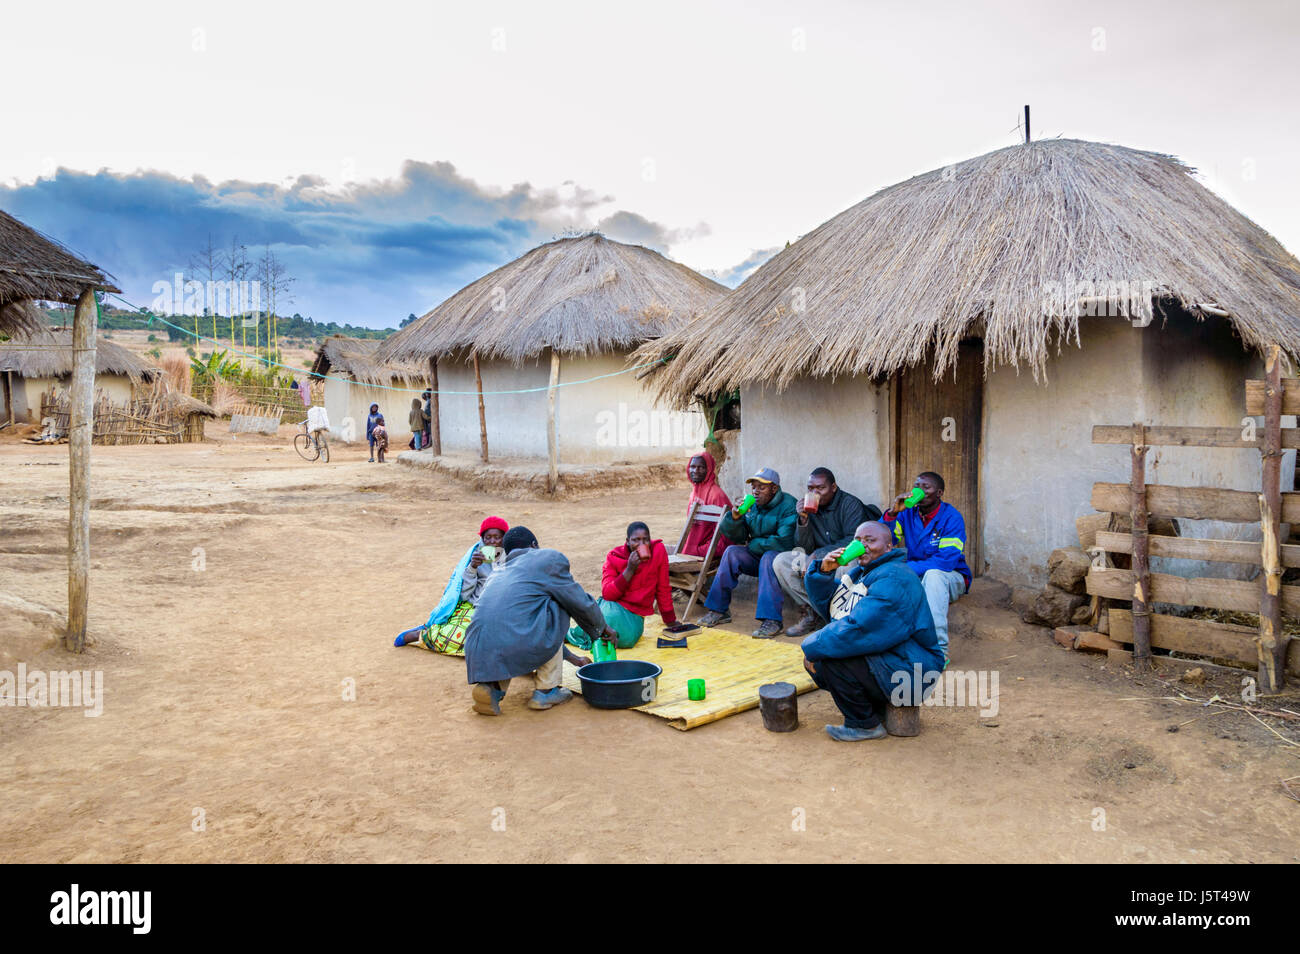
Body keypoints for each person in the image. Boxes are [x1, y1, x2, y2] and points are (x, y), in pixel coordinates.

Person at [802, 521, 943, 741]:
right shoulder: (862, 573)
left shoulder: (894, 578)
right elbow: (835, 608)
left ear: (888, 547)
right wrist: (823, 572)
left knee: (830, 658)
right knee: (824, 654)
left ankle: (864, 725)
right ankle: (872, 709)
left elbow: (860, 627)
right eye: (858, 540)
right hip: (893, 659)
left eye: (870, 540)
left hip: (913, 672)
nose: (862, 545)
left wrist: (812, 646)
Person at [465, 526, 617, 715]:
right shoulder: (546, 559)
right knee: (559, 602)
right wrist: (601, 628)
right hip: (516, 640)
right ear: (534, 545)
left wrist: (574, 659)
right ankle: (546, 690)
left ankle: (492, 688)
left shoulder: (498, 571)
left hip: (477, 647)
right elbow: (579, 601)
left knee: (513, 623)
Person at [772, 467, 878, 638]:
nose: (815, 493)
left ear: (833, 487)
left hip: (842, 559)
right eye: (810, 489)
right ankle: (814, 613)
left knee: (849, 565)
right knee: (782, 561)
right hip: (819, 563)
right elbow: (803, 547)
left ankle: (841, 618)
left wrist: (818, 554)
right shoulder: (810, 508)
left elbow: (855, 540)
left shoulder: (850, 504)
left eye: (820, 488)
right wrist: (803, 520)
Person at [695, 467, 798, 638]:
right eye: (754, 487)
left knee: (768, 558)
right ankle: (718, 610)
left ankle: (772, 621)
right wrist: (734, 518)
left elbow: (784, 542)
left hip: (781, 557)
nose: (756, 492)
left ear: (774, 489)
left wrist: (754, 544)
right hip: (758, 553)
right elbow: (739, 537)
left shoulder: (788, 505)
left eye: (762, 488)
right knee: (731, 552)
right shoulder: (754, 505)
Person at [879, 471, 970, 663]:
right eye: (917, 486)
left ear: (939, 493)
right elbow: (882, 541)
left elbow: (945, 562)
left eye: (925, 487)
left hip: (950, 577)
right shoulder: (908, 513)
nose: (919, 490)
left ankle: (939, 650)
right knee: (887, 573)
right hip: (919, 574)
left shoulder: (951, 517)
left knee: (934, 575)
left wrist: (908, 569)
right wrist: (893, 513)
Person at [393, 516, 508, 654]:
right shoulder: (475, 557)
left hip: (501, 609)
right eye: (487, 537)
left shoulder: (512, 556)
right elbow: (464, 594)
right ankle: (421, 635)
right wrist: (472, 567)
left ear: (504, 538)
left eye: (497, 537)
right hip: (475, 606)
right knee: (455, 638)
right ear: (482, 539)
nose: (492, 542)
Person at [568, 521, 676, 650]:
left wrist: (670, 620)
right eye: (636, 540)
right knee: (608, 619)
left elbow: (663, 587)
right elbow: (608, 594)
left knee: (627, 639)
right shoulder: (614, 557)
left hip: (636, 614)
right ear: (628, 541)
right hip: (614, 606)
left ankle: (592, 635)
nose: (641, 544)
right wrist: (630, 569)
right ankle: (572, 635)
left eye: (645, 540)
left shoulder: (658, 551)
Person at [680, 451, 733, 557]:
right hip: (694, 547)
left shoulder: (717, 495)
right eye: (692, 466)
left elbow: (725, 536)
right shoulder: (694, 493)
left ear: (708, 469)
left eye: (701, 467)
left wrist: (698, 549)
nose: (695, 471)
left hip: (712, 548)